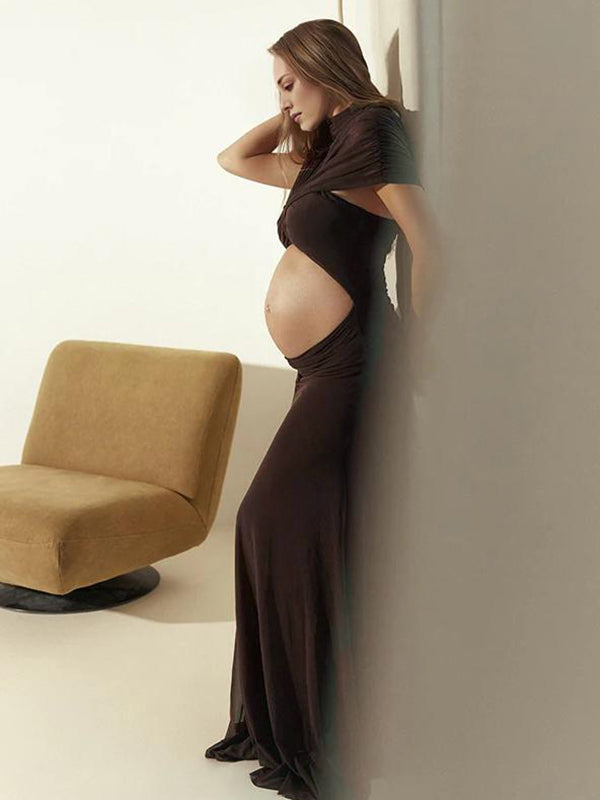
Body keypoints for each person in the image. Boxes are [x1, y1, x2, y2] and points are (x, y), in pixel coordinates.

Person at [205, 17, 440, 800]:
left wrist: (427, 341)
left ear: (323, 66)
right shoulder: (331, 150)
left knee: (265, 517)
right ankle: (319, 712)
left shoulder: (370, 128)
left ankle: (310, 724)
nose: (281, 97)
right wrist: (292, 110)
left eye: (288, 79)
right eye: (275, 85)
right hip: (322, 369)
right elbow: (234, 160)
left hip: (356, 362)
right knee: (316, 528)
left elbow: (427, 240)